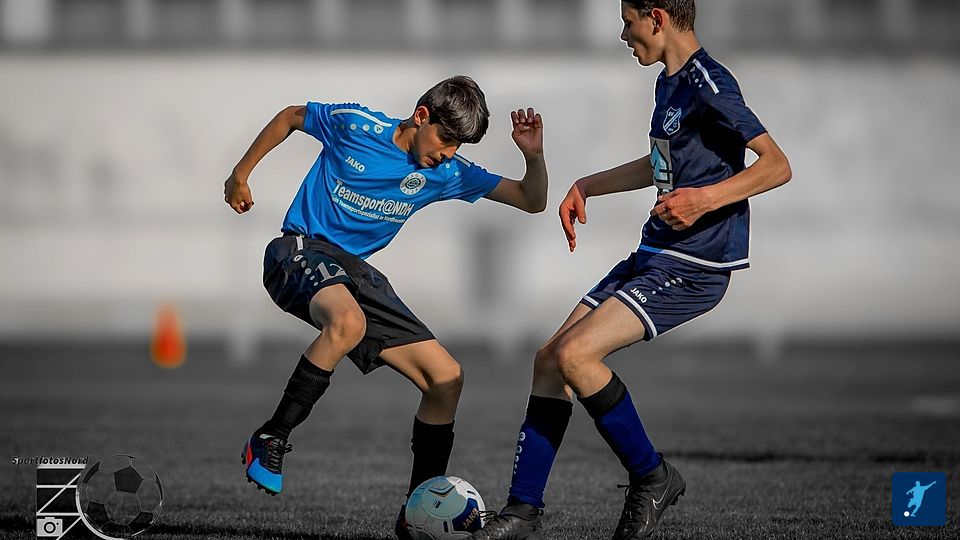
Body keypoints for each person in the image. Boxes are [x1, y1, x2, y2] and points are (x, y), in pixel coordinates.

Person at [472, 2, 791, 539]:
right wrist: (587, 185)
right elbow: (662, 163)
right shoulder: (668, 83)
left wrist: (704, 200)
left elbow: (777, 165)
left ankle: (652, 477)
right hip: (655, 252)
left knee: (577, 355)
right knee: (549, 360)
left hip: (696, 263)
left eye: (628, 21)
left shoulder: (709, 82)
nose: (623, 34)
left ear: (657, 18)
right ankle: (524, 509)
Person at [223, 75, 547, 539]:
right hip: (298, 251)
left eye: (458, 145)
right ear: (421, 116)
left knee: (445, 378)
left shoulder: (448, 173)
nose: (449, 153)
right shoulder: (356, 126)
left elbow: (531, 201)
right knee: (348, 322)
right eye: (446, 138)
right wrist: (241, 174)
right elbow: (291, 117)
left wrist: (533, 156)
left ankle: (417, 513)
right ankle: (271, 436)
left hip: (356, 275)